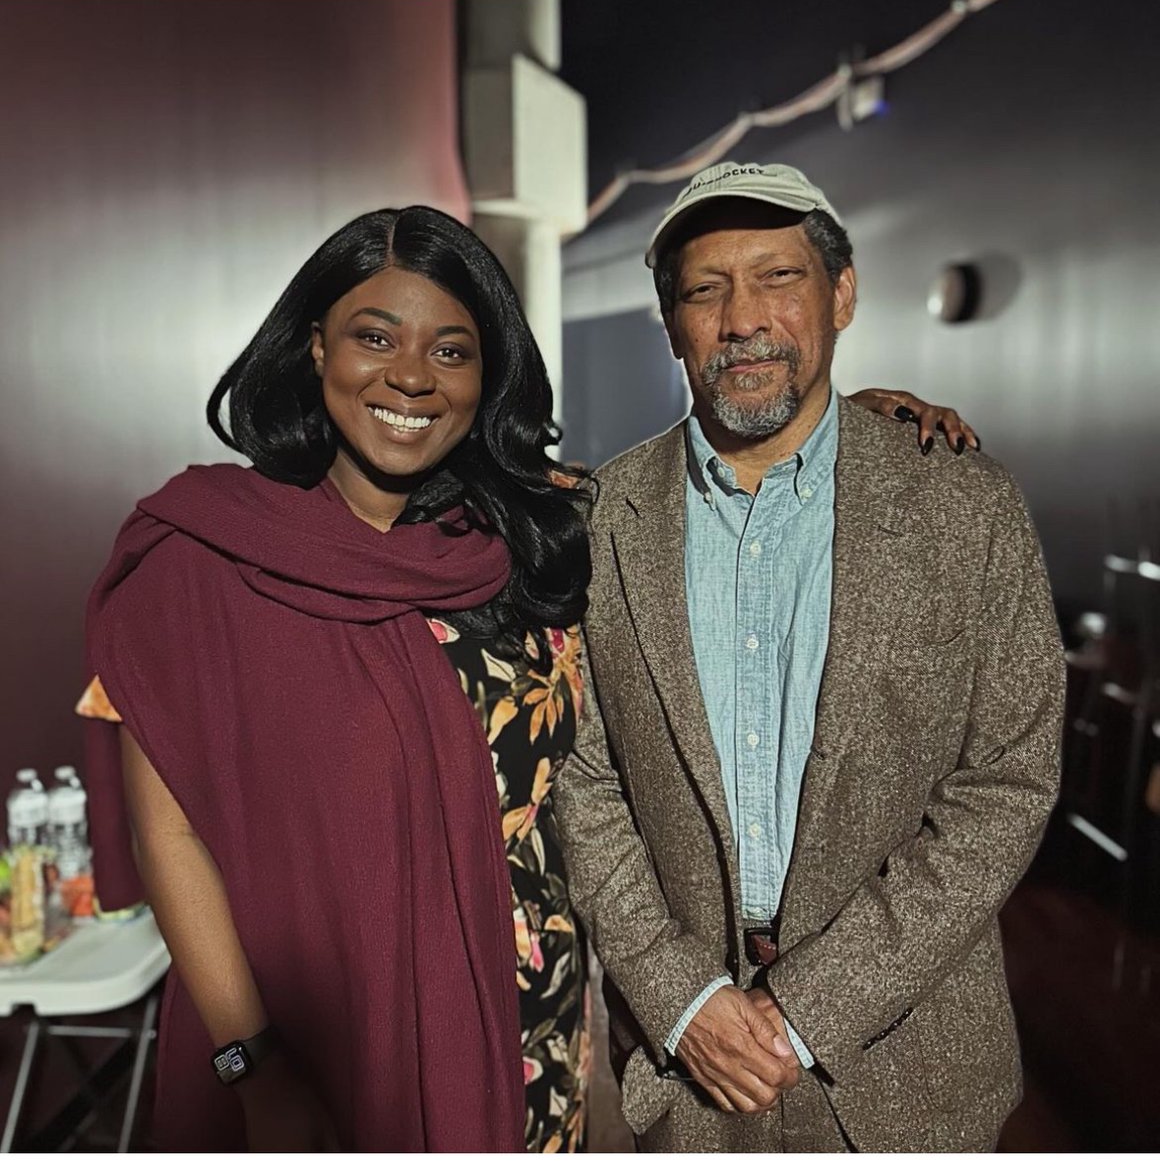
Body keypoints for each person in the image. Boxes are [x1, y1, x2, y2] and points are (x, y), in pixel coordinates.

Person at [78, 201, 974, 1153]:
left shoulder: (535, 536)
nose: (411, 376)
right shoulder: (211, 559)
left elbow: (699, 488)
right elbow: (166, 826)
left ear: (487, 372)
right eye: (373, 337)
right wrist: (247, 1062)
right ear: (313, 348)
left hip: (531, 1030)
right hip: (320, 1041)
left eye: (452, 351)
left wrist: (846, 433)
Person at [553, 161, 1065, 1153]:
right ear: (671, 324)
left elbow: (1005, 780)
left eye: (776, 278)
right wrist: (680, 994)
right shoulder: (596, 522)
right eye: (705, 290)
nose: (740, 317)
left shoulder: (964, 506)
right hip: (684, 1071)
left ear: (840, 294)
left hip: (910, 1072)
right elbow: (582, 776)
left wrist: (806, 1009)